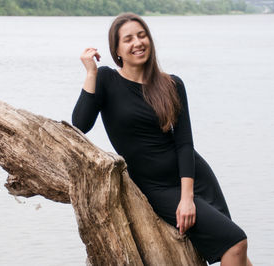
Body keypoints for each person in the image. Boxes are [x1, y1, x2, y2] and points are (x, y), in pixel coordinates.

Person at [72, 12, 252, 266]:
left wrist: (187, 198)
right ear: (117, 50)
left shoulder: (172, 84)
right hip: (155, 187)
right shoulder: (106, 80)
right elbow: (80, 125)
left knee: (235, 250)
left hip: (194, 179)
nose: (138, 42)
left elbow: (185, 143)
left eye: (142, 35)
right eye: (128, 39)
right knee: (236, 242)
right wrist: (90, 73)